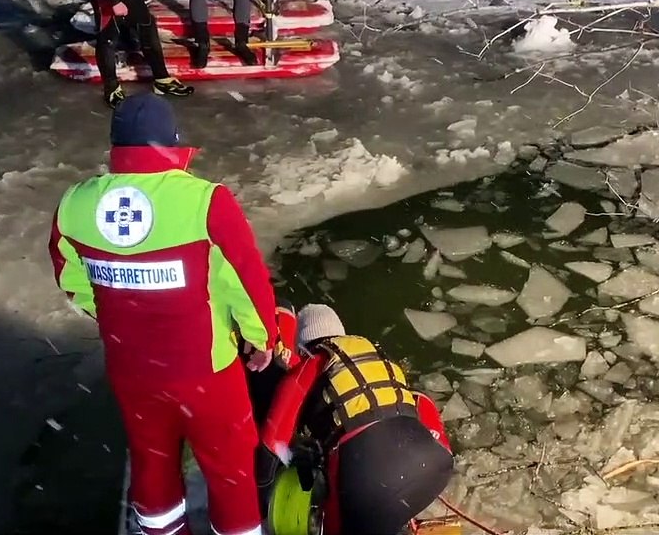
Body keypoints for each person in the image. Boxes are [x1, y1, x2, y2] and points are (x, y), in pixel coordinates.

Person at [47, 92, 295, 535]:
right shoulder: (206, 202)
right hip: (207, 371)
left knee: (152, 457)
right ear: (173, 143)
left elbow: (72, 280)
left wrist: (119, 316)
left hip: (132, 369)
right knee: (230, 468)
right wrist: (262, 338)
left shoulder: (75, 204)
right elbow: (245, 281)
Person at [259, 304, 455, 535]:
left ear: (303, 349)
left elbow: (272, 443)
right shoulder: (378, 360)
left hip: (368, 476)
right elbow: (422, 403)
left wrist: (262, 498)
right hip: (434, 468)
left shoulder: (313, 363)